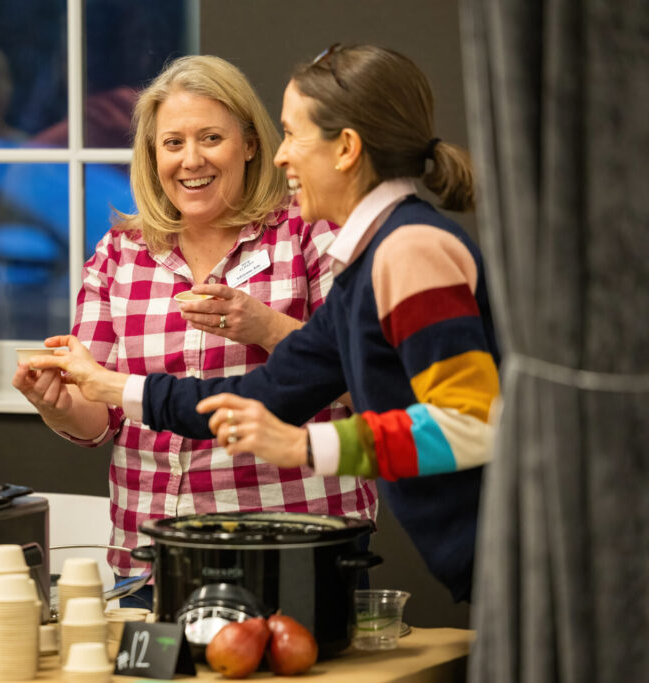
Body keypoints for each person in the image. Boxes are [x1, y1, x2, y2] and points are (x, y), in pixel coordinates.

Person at [32, 45, 499, 603]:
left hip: (511, 553)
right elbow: (262, 395)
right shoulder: (371, 258)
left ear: (345, 148)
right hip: (487, 561)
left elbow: (474, 425)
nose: (282, 157)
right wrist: (114, 389)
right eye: (173, 142)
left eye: (293, 134)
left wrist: (304, 445)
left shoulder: (411, 248)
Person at [12, 55, 377, 599]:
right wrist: (56, 401)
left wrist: (267, 327)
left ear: (251, 144)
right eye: (173, 143)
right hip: (152, 554)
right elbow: (102, 418)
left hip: (293, 545)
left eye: (210, 138)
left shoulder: (308, 235)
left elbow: (366, 386)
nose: (191, 160)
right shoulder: (121, 253)